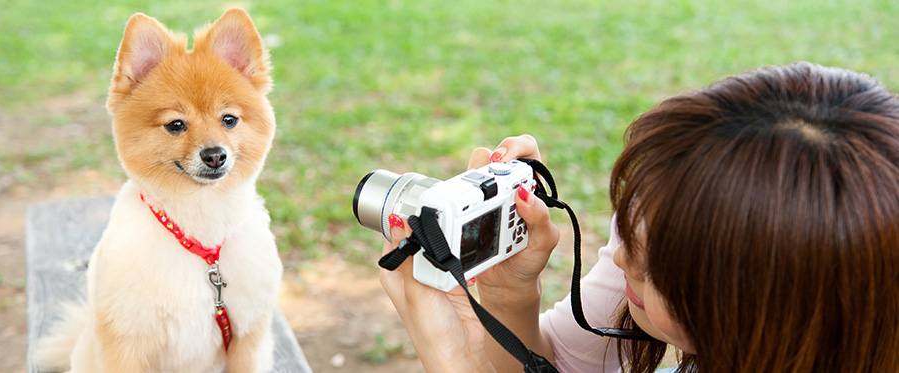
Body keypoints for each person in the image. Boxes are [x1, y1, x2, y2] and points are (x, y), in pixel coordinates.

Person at [378, 62, 899, 372]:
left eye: (655, 265)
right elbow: (567, 364)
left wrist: (453, 363)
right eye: (628, 223)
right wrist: (510, 292)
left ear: (767, 313)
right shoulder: (662, 237)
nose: (621, 256)